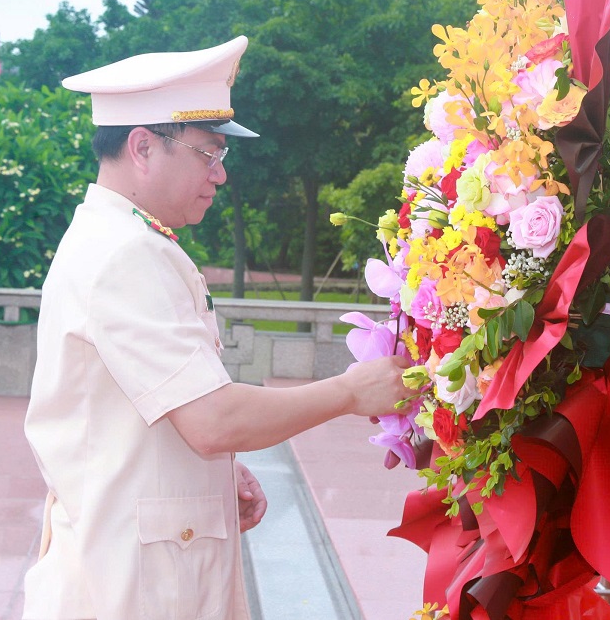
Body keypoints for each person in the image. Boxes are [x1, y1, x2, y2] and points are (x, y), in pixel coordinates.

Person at [22, 36, 409, 620]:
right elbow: (211, 420)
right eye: (208, 153)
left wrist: (207, 476)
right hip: (128, 592)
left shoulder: (115, 239)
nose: (220, 175)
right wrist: (350, 393)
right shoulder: (126, 254)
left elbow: (136, 419)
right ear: (143, 147)